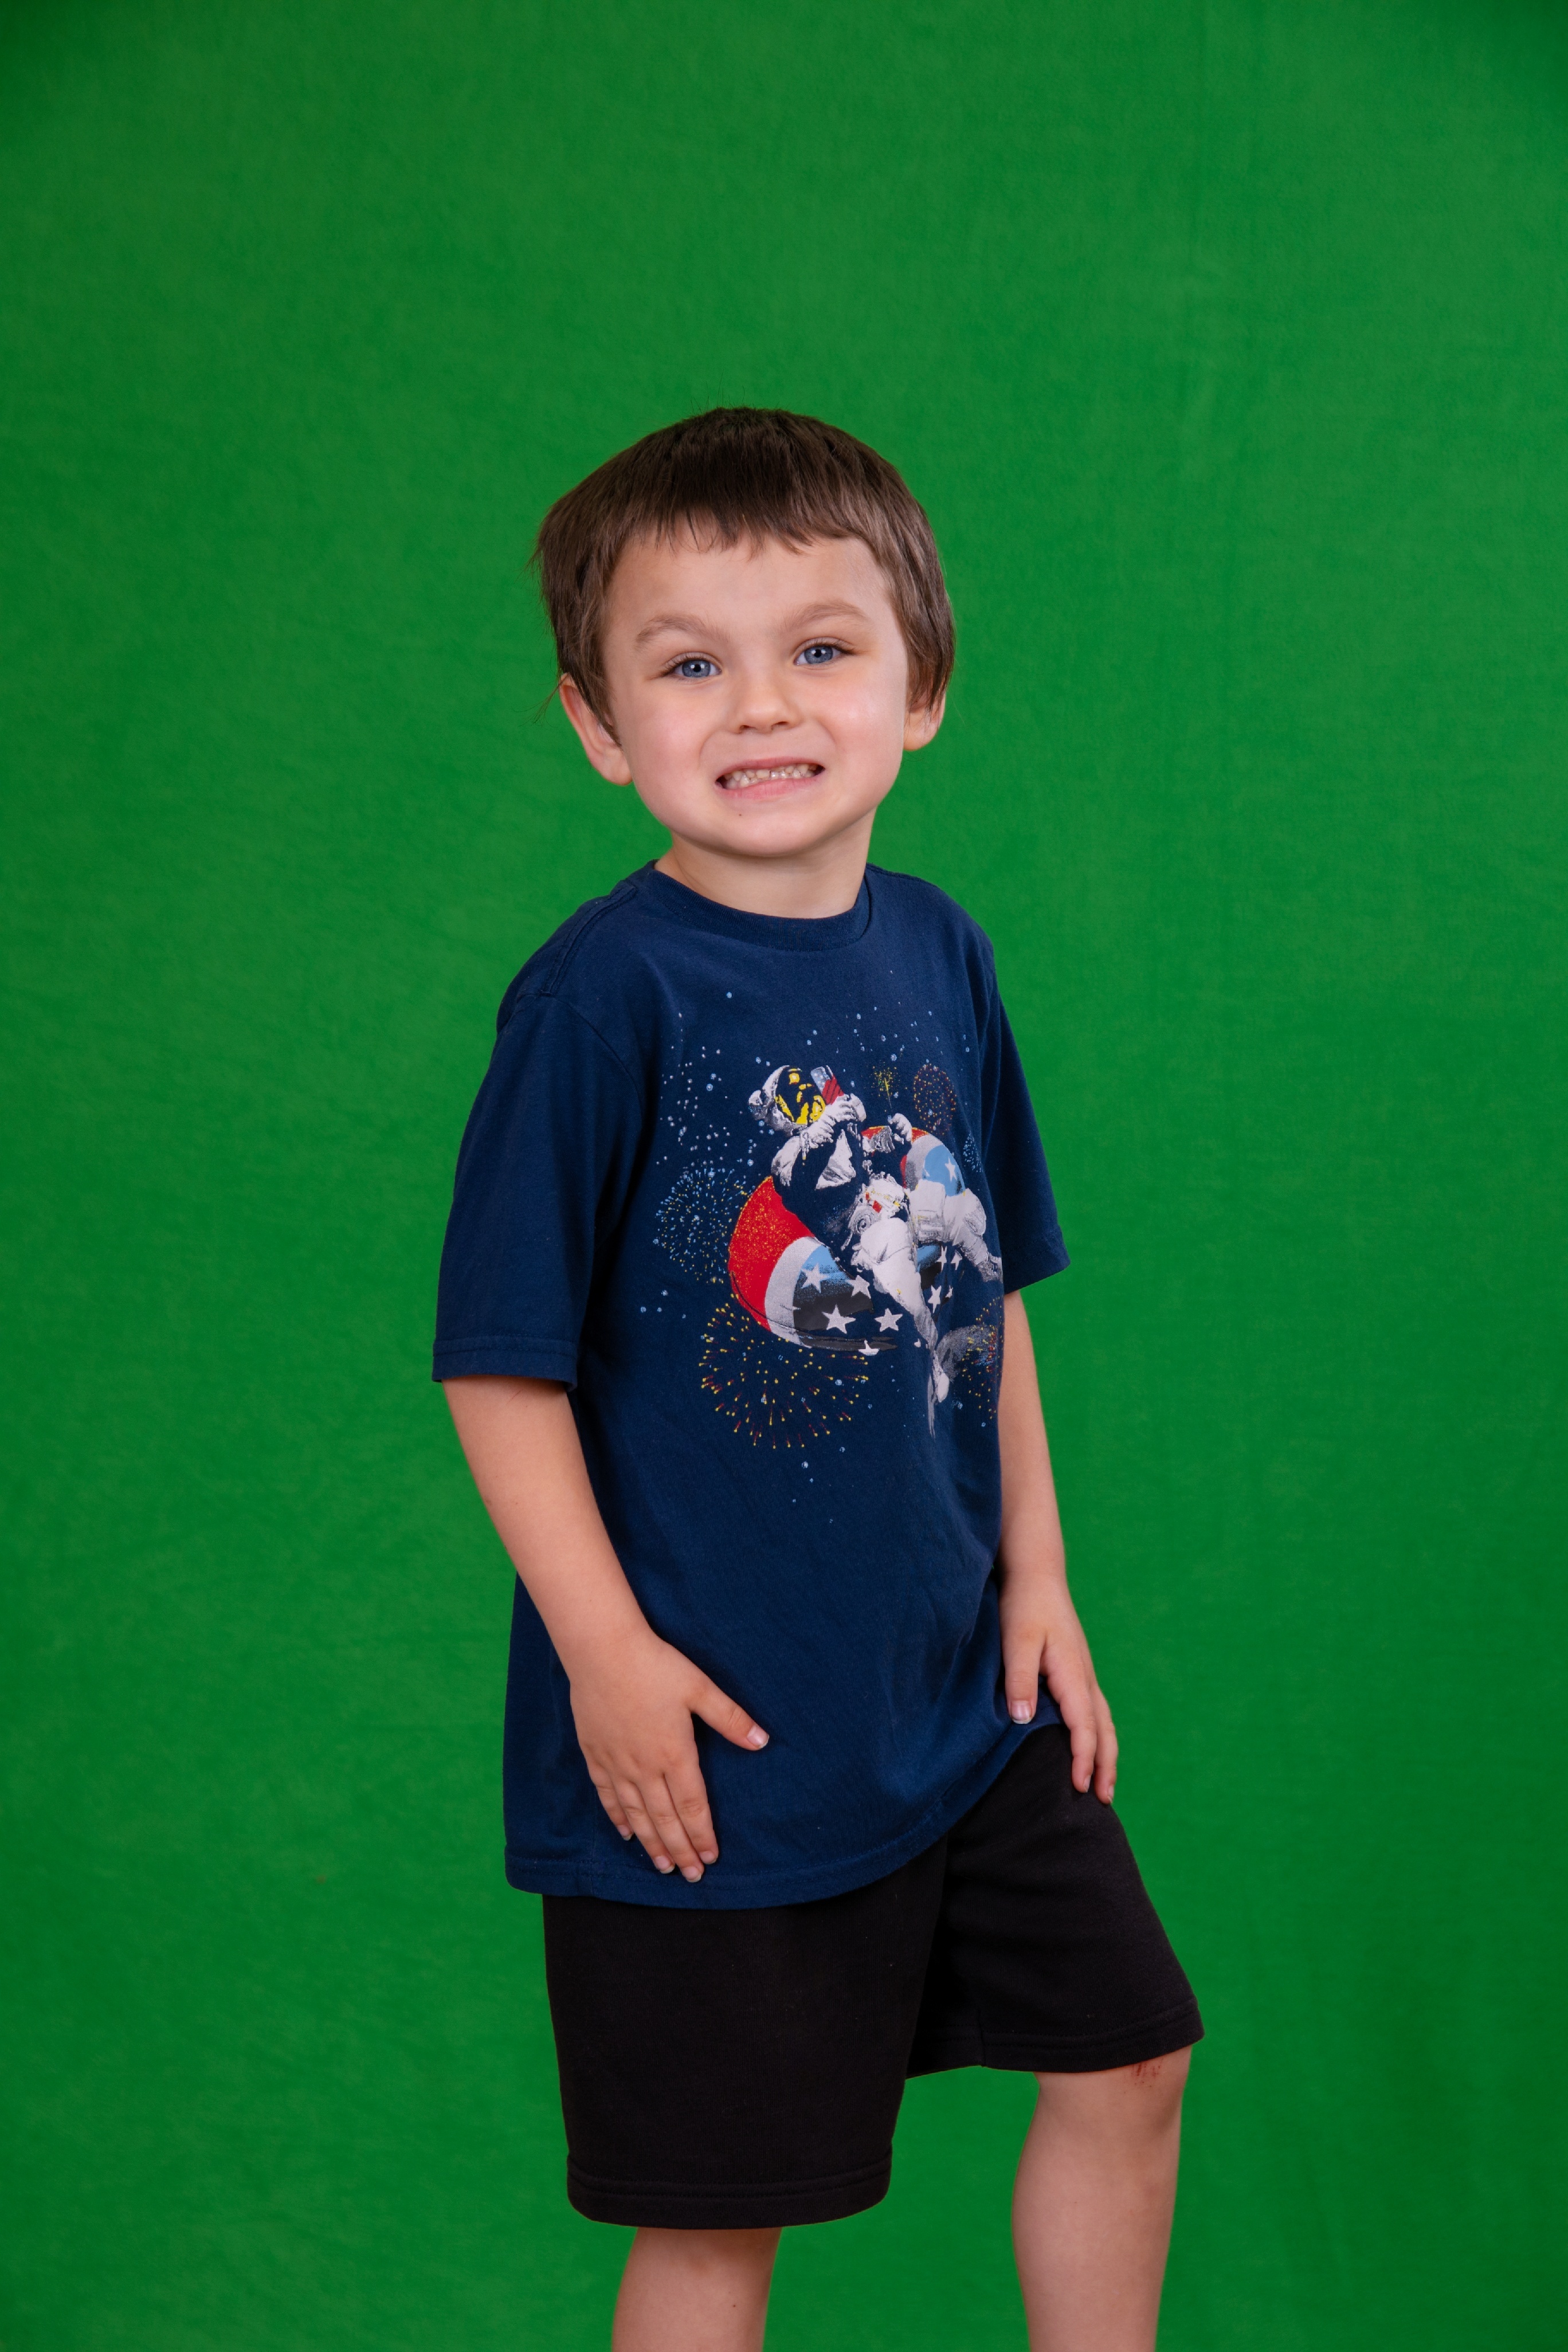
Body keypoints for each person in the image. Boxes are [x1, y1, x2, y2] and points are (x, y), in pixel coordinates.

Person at [433, 408, 1201, 2352]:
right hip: (722, 1734)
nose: (761, 704)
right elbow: (498, 1369)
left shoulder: (941, 952)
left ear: (921, 688)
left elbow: (985, 1295)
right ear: (602, 726)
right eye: (690, 664)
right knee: (723, 2227)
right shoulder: (605, 999)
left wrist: (1041, 1578)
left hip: (958, 1698)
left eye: (822, 648)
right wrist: (608, 1656)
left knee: (1131, 2055)